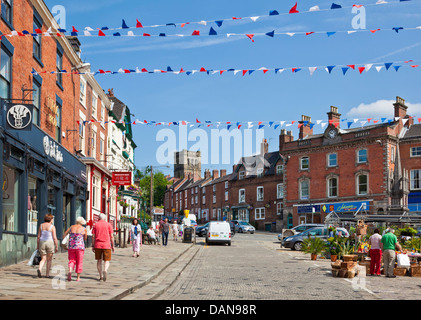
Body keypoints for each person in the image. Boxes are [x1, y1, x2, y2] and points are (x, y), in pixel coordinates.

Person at [63, 217, 87, 282]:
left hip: (71, 246)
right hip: (80, 247)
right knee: (79, 261)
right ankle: (78, 277)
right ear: (82, 222)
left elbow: (65, 234)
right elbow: (85, 238)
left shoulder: (71, 227)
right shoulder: (83, 229)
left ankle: (70, 271)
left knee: (71, 260)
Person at [92, 213, 114, 281]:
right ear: (105, 218)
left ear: (98, 218)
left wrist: (93, 245)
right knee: (107, 260)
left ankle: (101, 275)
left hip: (98, 245)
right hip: (106, 245)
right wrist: (113, 245)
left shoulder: (95, 225)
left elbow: (93, 236)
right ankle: (105, 270)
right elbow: (111, 236)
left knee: (99, 261)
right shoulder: (108, 224)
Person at [36, 214, 58, 278]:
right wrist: (56, 246)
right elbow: (54, 238)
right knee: (49, 259)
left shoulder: (41, 225)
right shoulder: (52, 227)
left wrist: (38, 246)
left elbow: (38, 236)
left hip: (42, 242)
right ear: (50, 219)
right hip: (50, 242)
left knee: (43, 259)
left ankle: (40, 269)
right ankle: (47, 274)